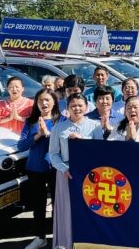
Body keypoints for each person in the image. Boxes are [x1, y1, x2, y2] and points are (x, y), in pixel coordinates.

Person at [48, 93, 103, 249]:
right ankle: (65, 243)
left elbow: (100, 151)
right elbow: (52, 153)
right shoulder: (59, 127)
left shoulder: (95, 126)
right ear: (67, 108)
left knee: (89, 208)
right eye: (73, 105)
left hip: (90, 175)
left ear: (86, 107)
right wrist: (63, 168)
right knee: (67, 209)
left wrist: (82, 141)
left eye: (80, 105)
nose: (77, 108)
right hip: (66, 173)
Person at [18, 89, 61, 249]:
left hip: (55, 169)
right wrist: (37, 135)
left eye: (47, 100)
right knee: (38, 205)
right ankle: (40, 237)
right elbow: (21, 145)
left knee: (58, 205)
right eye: (41, 100)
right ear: (36, 103)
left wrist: (48, 134)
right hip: (35, 169)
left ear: (54, 102)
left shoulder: (61, 120)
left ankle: (58, 237)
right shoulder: (30, 122)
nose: (44, 103)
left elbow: (62, 145)